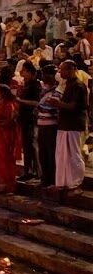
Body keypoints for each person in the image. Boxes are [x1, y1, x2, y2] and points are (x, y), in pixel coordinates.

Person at [49, 60, 87, 191]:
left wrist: (58, 103)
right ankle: (63, 182)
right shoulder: (67, 84)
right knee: (62, 155)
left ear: (71, 69)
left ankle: (76, 182)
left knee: (73, 154)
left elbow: (74, 106)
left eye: (62, 69)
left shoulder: (79, 86)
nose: (60, 72)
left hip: (73, 124)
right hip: (64, 124)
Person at [15, 61, 42, 181]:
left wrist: (20, 101)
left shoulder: (35, 85)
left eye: (24, 71)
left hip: (31, 118)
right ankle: (28, 170)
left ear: (31, 72)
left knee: (31, 145)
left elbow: (36, 102)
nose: (22, 73)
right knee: (26, 146)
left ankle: (34, 171)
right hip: (24, 118)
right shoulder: (26, 84)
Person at [36, 64, 61, 187]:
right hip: (41, 125)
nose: (45, 77)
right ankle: (45, 179)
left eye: (47, 75)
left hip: (51, 127)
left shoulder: (57, 92)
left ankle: (52, 179)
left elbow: (51, 109)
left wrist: (41, 106)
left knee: (51, 154)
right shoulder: (43, 91)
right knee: (43, 154)